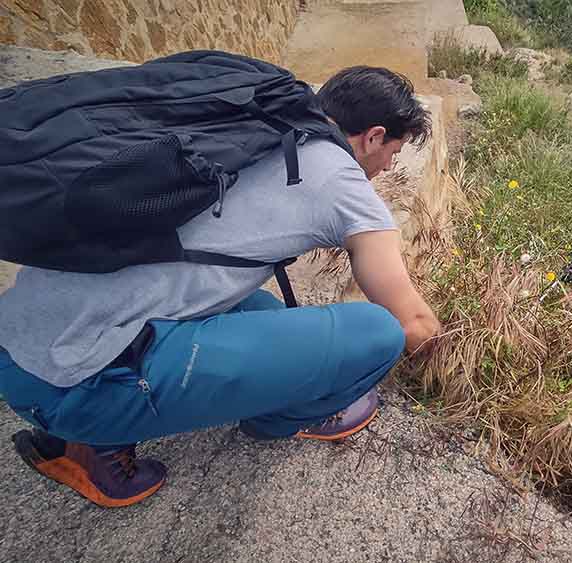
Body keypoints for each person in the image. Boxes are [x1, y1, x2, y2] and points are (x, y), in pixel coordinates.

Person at [0, 66, 442, 508]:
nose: (387, 168)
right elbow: (413, 323)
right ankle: (269, 417)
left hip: (21, 338)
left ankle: (96, 410)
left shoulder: (258, 123)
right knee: (376, 335)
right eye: (393, 152)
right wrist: (454, 365)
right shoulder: (344, 186)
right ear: (373, 136)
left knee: (260, 308)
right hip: (68, 385)